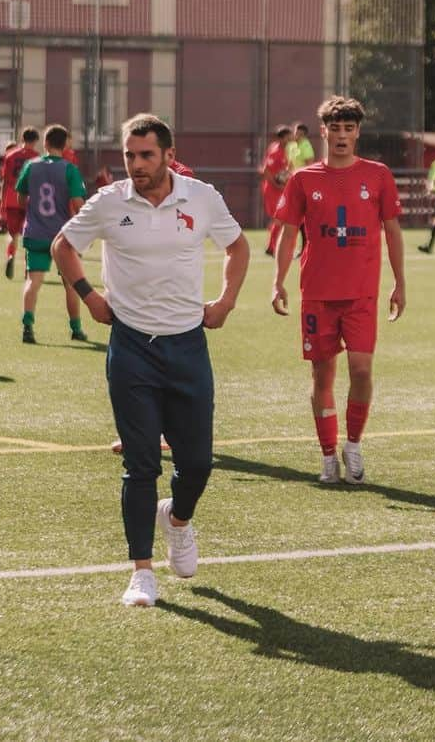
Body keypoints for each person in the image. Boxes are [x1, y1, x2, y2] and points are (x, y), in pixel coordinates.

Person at [52, 113, 249, 608]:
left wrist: (225, 302)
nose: (136, 165)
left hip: (187, 346)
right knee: (140, 465)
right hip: (132, 348)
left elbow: (238, 246)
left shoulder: (201, 197)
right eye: (129, 156)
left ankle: (177, 521)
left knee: (198, 463)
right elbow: (63, 246)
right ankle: (141, 573)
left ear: (167, 154)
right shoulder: (109, 203)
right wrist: (90, 297)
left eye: (145, 155)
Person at [271, 96, 405, 485]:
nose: (342, 136)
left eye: (350, 128)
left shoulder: (378, 175)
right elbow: (288, 232)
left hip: (362, 294)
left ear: (358, 132)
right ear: (324, 132)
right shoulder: (303, 179)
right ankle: (328, 454)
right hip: (317, 293)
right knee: (322, 375)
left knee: (362, 370)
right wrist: (277, 280)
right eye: (336, 129)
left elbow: (393, 232)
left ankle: (354, 444)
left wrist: (399, 282)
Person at [15, 124, 87, 344]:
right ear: (65, 145)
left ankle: (28, 326)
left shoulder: (31, 166)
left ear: (44, 143)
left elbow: (20, 199)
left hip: (36, 232)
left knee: (32, 282)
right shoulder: (70, 169)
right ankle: (75, 329)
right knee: (71, 284)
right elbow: (78, 203)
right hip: (62, 237)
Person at [1, 128, 40, 278]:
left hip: (12, 197)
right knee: (29, 234)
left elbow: (4, 180)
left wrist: (3, 203)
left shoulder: (10, 156)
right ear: (35, 141)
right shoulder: (37, 157)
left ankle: (10, 255)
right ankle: (27, 267)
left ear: (22, 138)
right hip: (29, 199)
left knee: (12, 234)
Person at [260, 125, 292, 256]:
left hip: (280, 189)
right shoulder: (276, 151)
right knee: (279, 219)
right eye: (289, 135)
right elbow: (266, 171)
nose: (291, 138)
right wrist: (277, 185)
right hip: (273, 190)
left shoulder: (285, 149)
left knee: (280, 219)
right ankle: (272, 248)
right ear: (283, 137)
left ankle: (273, 246)